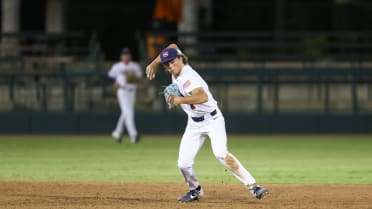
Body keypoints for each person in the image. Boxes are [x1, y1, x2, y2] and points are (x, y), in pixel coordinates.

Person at [145, 44, 268, 202]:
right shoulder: (177, 63)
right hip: (194, 123)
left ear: (181, 58)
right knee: (183, 163)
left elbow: (202, 97)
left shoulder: (188, 77)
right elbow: (172, 46)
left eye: (172, 61)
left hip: (212, 120)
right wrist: (155, 62)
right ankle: (195, 190)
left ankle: (253, 186)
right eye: (167, 64)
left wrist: (179, 100)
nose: (170, 65)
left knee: (221, 154)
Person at [108, 48, 142, 144]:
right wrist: (114, 83)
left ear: (130, 56)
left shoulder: (134, 66)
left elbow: (139, 78)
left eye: (127, 54)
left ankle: (117, 133)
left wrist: (133, 77)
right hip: (122, 91)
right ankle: (134, 135)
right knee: (128, 112)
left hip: (132, 91)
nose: (126, 56)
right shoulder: (117, 66)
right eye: (124, 55)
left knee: (126, 113)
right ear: (121, 56)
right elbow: (110, 76)